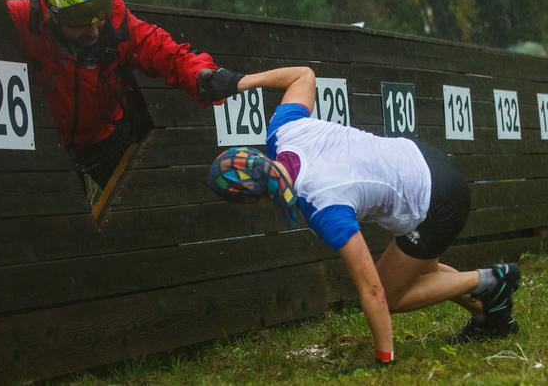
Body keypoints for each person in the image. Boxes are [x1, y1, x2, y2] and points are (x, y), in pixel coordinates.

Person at [202, 67, 520, 365]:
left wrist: (384, 360)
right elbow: (303, 75)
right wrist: (238, 82)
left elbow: (372, 291)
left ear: (251, 201)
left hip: (437, 199)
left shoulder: (322, 204)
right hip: (426, 159)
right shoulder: (283, 131)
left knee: (391, 291)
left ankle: (492, 280)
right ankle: (491, 317)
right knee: (420, 269)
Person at [0, 0, 242, 191]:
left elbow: (161, 49)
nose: (94, 31)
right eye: (80, 23)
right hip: (49, 144)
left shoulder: (117, 21)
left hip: (109, 138)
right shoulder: (24, 18)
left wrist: (200, 73)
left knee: (145, 208)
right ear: (54, 15)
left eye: (99, 16)